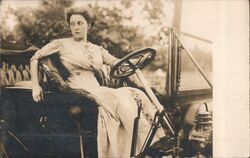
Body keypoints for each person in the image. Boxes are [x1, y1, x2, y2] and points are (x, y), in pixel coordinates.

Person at [30, 7, 165, 157]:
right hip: (78, 87)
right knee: (117, 97)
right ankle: (148, 143)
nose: (76, 27)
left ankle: (155, 138)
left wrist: (135, 65)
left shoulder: (97, 49)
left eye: (80, 23)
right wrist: (36, 86)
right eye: (72, 24)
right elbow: (35, 57)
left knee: (133, 93)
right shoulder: (61, 43)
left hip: (96, 87)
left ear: (89, 25)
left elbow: (116, 62)